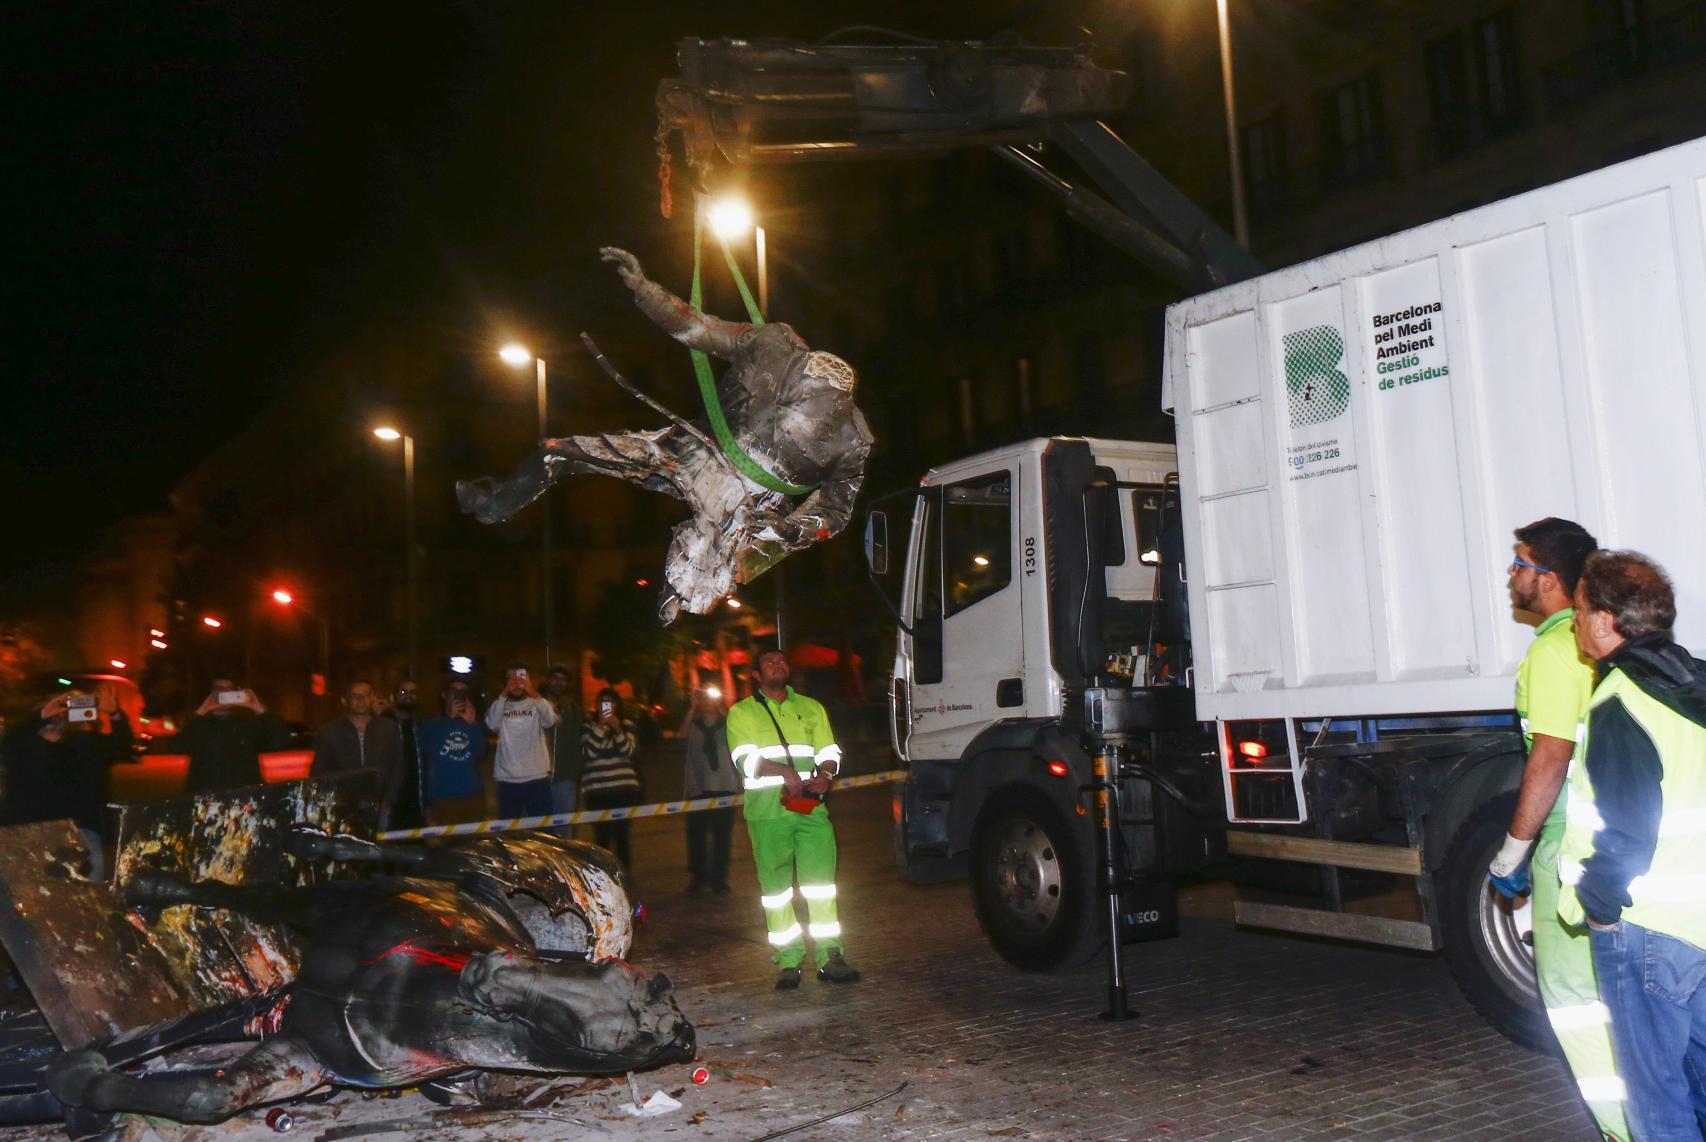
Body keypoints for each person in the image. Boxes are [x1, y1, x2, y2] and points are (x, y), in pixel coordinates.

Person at [455, 246, 874, 623]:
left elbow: (835, 515)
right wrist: (646, 290)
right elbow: (698, 327)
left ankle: (674, 593)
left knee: (692, 586)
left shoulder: (854, 440)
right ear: (794, 376)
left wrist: (784, 529)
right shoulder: (773, 344)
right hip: (691, 447)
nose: (808, 420)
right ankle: (495, 505)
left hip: (745, 501)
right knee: (557, 452)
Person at [1484, 518, 1627, 1139]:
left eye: (1520, 564)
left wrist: (1511, 854)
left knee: (1575, 1006)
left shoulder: (1551, 651)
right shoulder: (1602, 642)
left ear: (1549, 580)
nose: (1511, 575)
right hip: (1613, 842)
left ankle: (1627, 1130)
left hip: (1569, 851)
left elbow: (1550, 754)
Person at [1558, 550, 1706, 1139]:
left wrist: (1598, 906)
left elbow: (1626, 832)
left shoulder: (1621, 703)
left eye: (1577, 610)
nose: (1573, 624)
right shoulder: (1694, 682)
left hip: (1648, 926)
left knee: (1655, 1099)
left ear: (1603, 620)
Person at [726, 649, 859, 988]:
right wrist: (784, 771)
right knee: (776, 891)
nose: (778, 665)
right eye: (769, 662)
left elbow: (829, 751)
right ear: (756, 675)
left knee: (822, 887)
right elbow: (744, 759)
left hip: (811, 808)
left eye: (782, 660)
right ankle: (788, 960)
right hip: (768, 813)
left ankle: (831, 955)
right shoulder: (741, 712)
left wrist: (826, 775)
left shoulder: (811, 707)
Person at [0, 686, 131, 877]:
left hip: (79, 832)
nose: (57, 716)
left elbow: (122, 744)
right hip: (28, 831)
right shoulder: (24, 746)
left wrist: (114, 713)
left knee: (87, 893)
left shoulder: (84, 744)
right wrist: (41, 716)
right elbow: (10, 741)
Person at [310, 680, 403, 824]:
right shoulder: (329, 732)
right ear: (344, 700)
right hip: (343, 805)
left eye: (365, 695)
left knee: (376, 845)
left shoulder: (388, 729)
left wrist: (389, 798)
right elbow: (319, 771)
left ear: (372, 697)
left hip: (379, 804)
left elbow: (397, 765)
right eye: (355, 696)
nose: (360, 700)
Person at [178, 678, 290, 794]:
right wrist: (202, 711)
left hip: (243, 798)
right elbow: (178, 746)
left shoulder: (246, 725)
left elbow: (280, 739)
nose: (225, 693)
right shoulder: (200, 725)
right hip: (207, 799)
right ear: (209, 694)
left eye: (229, 689)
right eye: (219, 689)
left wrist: (258, 708)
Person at [680, 686, 737, 895]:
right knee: (696, 835)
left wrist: (722, 706)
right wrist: (692, 707)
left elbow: (737, 729)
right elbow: (681, 734)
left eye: (710, 697)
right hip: (698, 786)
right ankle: (698, 877)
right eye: (704, 698)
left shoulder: (726, 723)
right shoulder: (694, 724)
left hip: (724, 785)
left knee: (722, 836)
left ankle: (719, 878)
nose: (707, 702)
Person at [484, 664, 558, 819]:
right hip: (507, 779)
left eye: (521, 678)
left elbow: (550, 720)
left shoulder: (537, 703)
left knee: (543, 832)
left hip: (537, 777)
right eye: (510, 679)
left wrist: (532, 691)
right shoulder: (499, 705)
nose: (516, 683)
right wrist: (504, 694)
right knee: (511, 835)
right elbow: (492, 724)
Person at [579, 687, 642, 868]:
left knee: (621, 836)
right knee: (601, 837)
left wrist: (616, 728)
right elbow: (590, 752)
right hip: (596, 790)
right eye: (602, 702)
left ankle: (624, 876)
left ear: (617, 705)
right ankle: (604, 877)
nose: (606, 706)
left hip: (623, 788)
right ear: (596, 706)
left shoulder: (627, 724)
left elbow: (628, 751)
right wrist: (599, 726)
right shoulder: (587, 727)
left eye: (610, 702)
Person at [417, 680, 488, 826]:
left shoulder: (473, 724)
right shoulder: (431, 724)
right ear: (445, 695)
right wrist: (449, 718)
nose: (458, 696)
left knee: (473, 845)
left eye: (463, 692)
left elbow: (481, 753)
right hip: (443, 796)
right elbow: (429, 751)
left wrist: (473, 725)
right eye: (454, 691)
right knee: (447, 845)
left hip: (471, 795)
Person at [543, 665, 585, 834]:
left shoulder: (575, 709)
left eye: (562, 679)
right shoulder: (538, 705)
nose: (558, 683)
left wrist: (577, 770)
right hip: (540, 777)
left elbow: (580, 740)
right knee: (542, 826)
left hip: (566, 777)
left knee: (565, 825)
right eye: (554, 678)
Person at [381, 679, 426, 831]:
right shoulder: (382, 724)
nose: (408, 696)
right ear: (393, 696)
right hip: (390, 801)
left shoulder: (420, 725)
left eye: (413, 693)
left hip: (416, 800)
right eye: (403, 692)